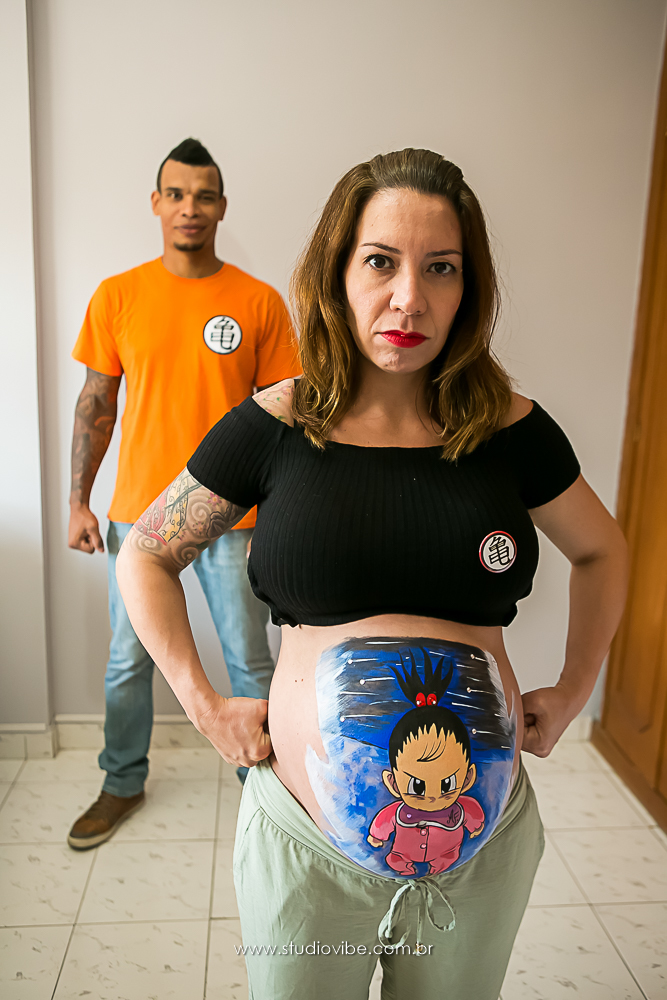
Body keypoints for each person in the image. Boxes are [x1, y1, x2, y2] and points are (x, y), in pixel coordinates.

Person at [116, 149, 628, 999]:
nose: (408, 298)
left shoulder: (510, 431)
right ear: (337, 273)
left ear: (468, 288)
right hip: (305, 853)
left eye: (440, 268)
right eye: (381, 262)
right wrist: (202, 705)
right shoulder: (275, 425)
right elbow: (146, 552)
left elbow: (602, 550)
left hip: (479, 856)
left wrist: (574, 689)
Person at [66, 138, 301, 851]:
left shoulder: (258, 302)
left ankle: (271, 793)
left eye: (203, 196)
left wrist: (281, 517)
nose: (189, 208)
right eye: (176, 194)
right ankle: (121, 781)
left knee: (249, 661)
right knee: (127, 661)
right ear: (156, 203)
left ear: (221, 207)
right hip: (139, 517)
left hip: (233, 518)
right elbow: (96, 404)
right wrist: (78, 500)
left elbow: (288, 420)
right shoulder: (118, 295)